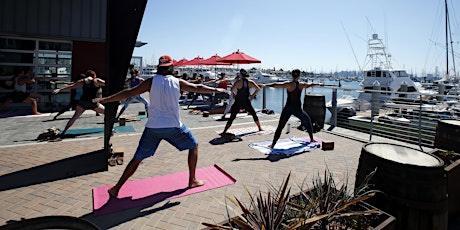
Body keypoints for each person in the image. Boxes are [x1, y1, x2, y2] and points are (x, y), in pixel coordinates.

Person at [92, 55, 227, 198]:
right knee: (193, 146)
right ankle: (192, 180)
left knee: (137, 158)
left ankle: (116, 188)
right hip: (174, 127)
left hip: (153, 128)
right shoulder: (177, 81)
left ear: (159, 67)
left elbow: (129, 93)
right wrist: (217, 90)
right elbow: (198, 87)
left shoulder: (150, 82)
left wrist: (106, 99)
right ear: (171, 67)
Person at [263, 69, 323, 148]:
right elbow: (310, 84)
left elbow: (276, 84)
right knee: (307, 121)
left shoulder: (289, 84)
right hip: (297, 109)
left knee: (281, 126)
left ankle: (273, 144)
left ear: (292, 75)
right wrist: (318, 84)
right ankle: (311, 138)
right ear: (299, 75)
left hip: (288, 108)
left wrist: (265, 85)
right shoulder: (301, 85)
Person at [52, 70, 105, 137]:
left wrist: (60, 89)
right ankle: (109, 129)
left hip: (82, 102)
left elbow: (72, 86)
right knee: (107, 113)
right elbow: (107, 84)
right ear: (94, 75)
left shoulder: (82, 81)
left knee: (74, 117)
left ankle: (64, 132)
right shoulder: (96, 80)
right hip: (93, 102)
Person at [220, 69, 263, 135]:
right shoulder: (249, 81)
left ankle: (224, 131)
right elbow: (258, 89)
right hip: (246, 101)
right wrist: (252, 96)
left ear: (240, 74)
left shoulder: (238, 82)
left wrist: (234, 95)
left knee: (232, 117)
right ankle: (259, 128)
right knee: (254, 114)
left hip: (238, 101)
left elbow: (231, 90)